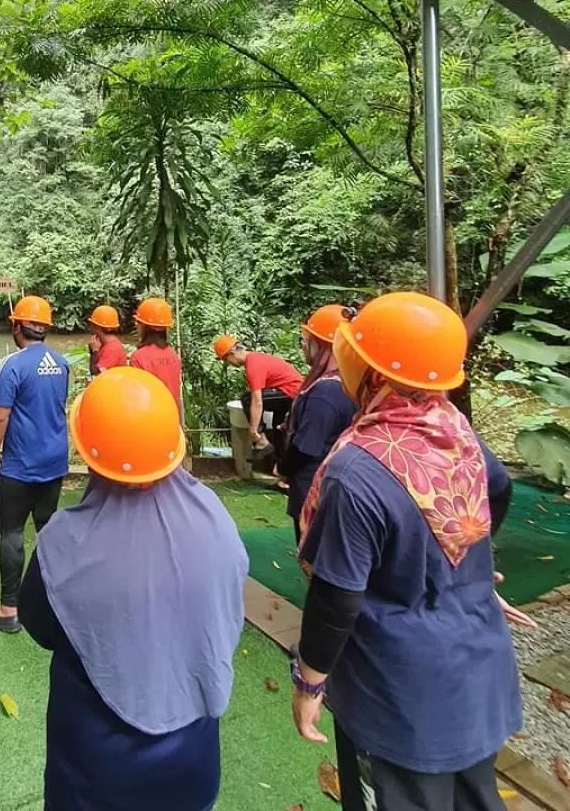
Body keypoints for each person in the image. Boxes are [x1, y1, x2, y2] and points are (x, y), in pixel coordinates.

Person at [290, 292, 527, 811]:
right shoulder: (457, 432)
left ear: (371, 372)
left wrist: (308, 684)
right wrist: (471, 569)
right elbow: (500, 487)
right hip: (476, 675)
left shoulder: (357, 470)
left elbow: (337, 599)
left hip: (400, 698)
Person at [19, 367, 247, 811]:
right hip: (192, 766)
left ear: (89, 453)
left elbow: (41, 626)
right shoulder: (214, 516)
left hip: (96, 774)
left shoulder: (63, 543)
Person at [0, 295, 70, 634]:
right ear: (44, 328)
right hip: (54, 461)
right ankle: (50, 602)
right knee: (47, 531)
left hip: (21, 464)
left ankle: (8, 610)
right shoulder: (61, 363)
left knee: (13, 532)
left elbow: (0, 414)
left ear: (17, 327)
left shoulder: (15, 365)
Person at [279, 305, 356, 543]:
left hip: (314, 488)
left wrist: (282, 467)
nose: (303, 345)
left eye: (307, 339)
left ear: (322, 345)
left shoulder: (325, 392)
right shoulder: (348, 383)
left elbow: (306, 446)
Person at [213, 334, 302, 464]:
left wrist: (254, 431)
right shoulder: (256, 359)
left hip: (292, 392)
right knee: (279, 430)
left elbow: (257, 401)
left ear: (231, 353)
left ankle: (261, 441)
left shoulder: (253, 365)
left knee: (247, 399)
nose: (229, 364)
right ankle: (281, 473)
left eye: (226, 360)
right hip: (289, 392)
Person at [129, 298, 182, 411]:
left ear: (144, 325)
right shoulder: (173, 354)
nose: (136, 324)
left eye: (138, 321)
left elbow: (136, 396)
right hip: (171, 416)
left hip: (150, 418)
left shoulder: (138, 357)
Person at [87, 304, 127, 377]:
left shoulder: (112, 349)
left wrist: (94, 351)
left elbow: (95, 372)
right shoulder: (104, 344)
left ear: (97, 327)